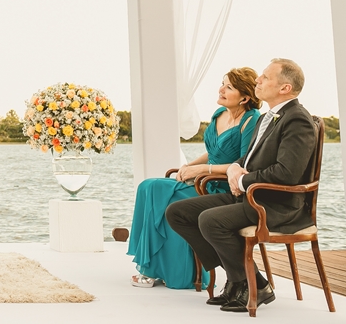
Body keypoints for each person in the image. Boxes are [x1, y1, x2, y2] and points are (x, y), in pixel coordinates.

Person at [166, 58, 318, 313]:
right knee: (178, 213)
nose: (258, 80)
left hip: (276, 203)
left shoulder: (297, 119)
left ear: (285, 88)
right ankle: (249, 282)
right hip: (252, 197)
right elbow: (247, 159)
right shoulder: (267, 118)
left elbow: (287, 173)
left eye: (265, 77)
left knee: (210, 220)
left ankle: (245, 283)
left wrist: (243, 179)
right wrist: (236, 168)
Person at [127, 67, 261, 289]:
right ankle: (150, 265)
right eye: (222, 83)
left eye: (229, 87)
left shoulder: (250, 120)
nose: (221, 89)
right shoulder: (219, 114)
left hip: (223, 188)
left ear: (245, 97)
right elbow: (213, 151)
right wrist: (190, 166)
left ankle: (180, 274)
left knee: (167, 199)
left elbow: (245, 164)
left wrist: (202, 171)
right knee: (148, 187)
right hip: (202, 180)